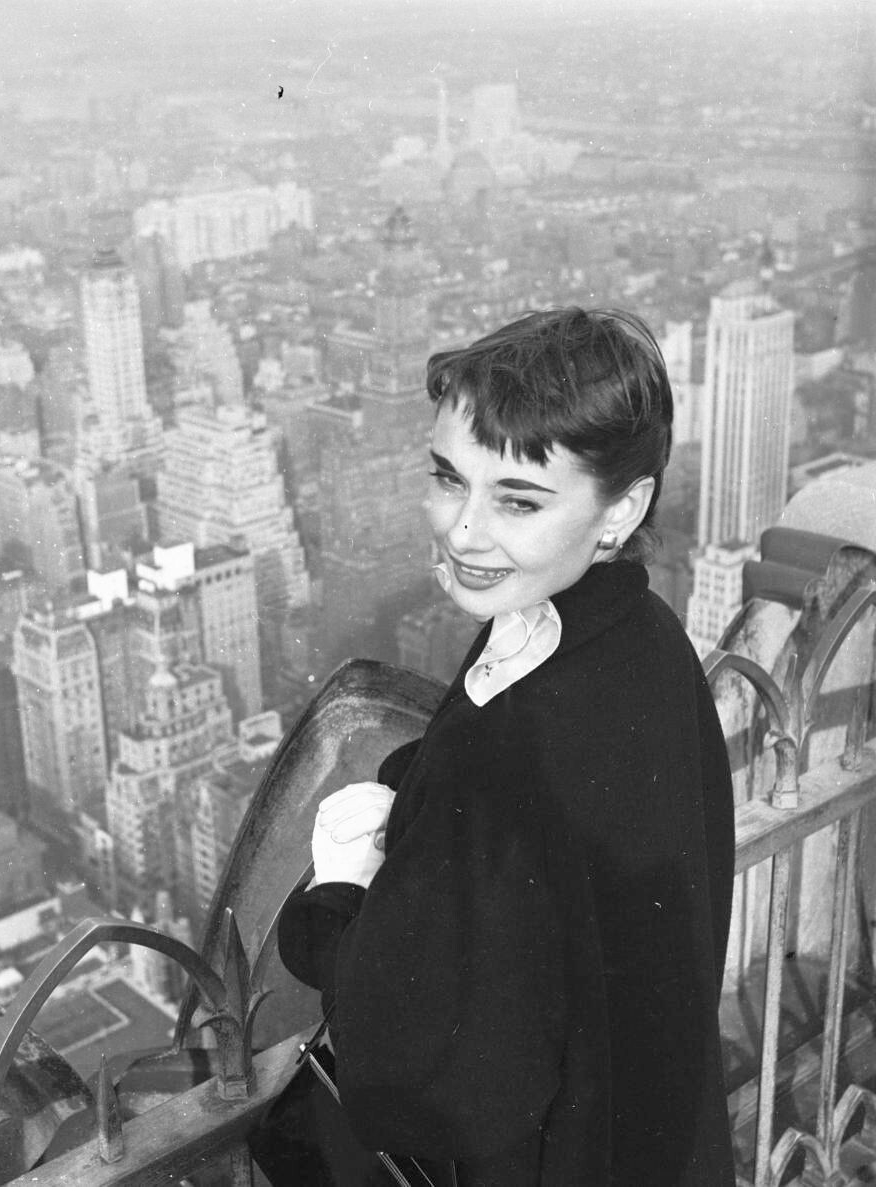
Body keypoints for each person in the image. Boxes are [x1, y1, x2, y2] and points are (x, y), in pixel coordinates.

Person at [277, 308, 737, 1186]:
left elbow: (424, 1062)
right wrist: (429, 790)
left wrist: (337, 899)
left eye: (518, 500)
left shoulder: (520, 740)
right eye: (449, 479)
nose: (463, 530)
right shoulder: (640, 638)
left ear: (622, 507)